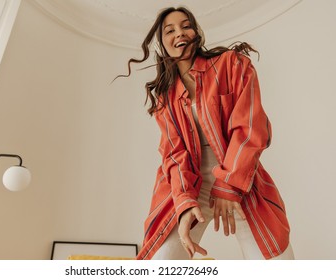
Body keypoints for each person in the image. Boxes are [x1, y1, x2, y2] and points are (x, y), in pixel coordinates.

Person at [118, 6, 295, 260]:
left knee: (278, 265)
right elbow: (174, 155)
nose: (180, 32)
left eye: (186, 26)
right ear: (162, 44)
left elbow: (251, 128)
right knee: (160, 263)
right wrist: (184, 203)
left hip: (240, 180)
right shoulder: (164, 99)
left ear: (196, 32)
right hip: (190, 187)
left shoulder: (231, 65)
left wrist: (228, 185)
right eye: (170, 30)